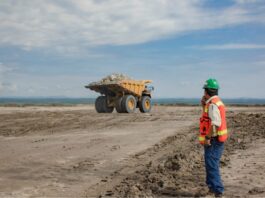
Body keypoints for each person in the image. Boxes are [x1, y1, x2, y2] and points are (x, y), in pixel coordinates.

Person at [199, 78, 228, 197]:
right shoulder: (215, 102)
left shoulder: (212, 105)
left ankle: (218, 191)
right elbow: (209, 118)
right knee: (210, 164)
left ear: (206, 91)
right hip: (215, 139)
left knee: (212, 165)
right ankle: (211, 187)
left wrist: (207, 137)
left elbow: (215, 122)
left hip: (213, 140)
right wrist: (203, 105)